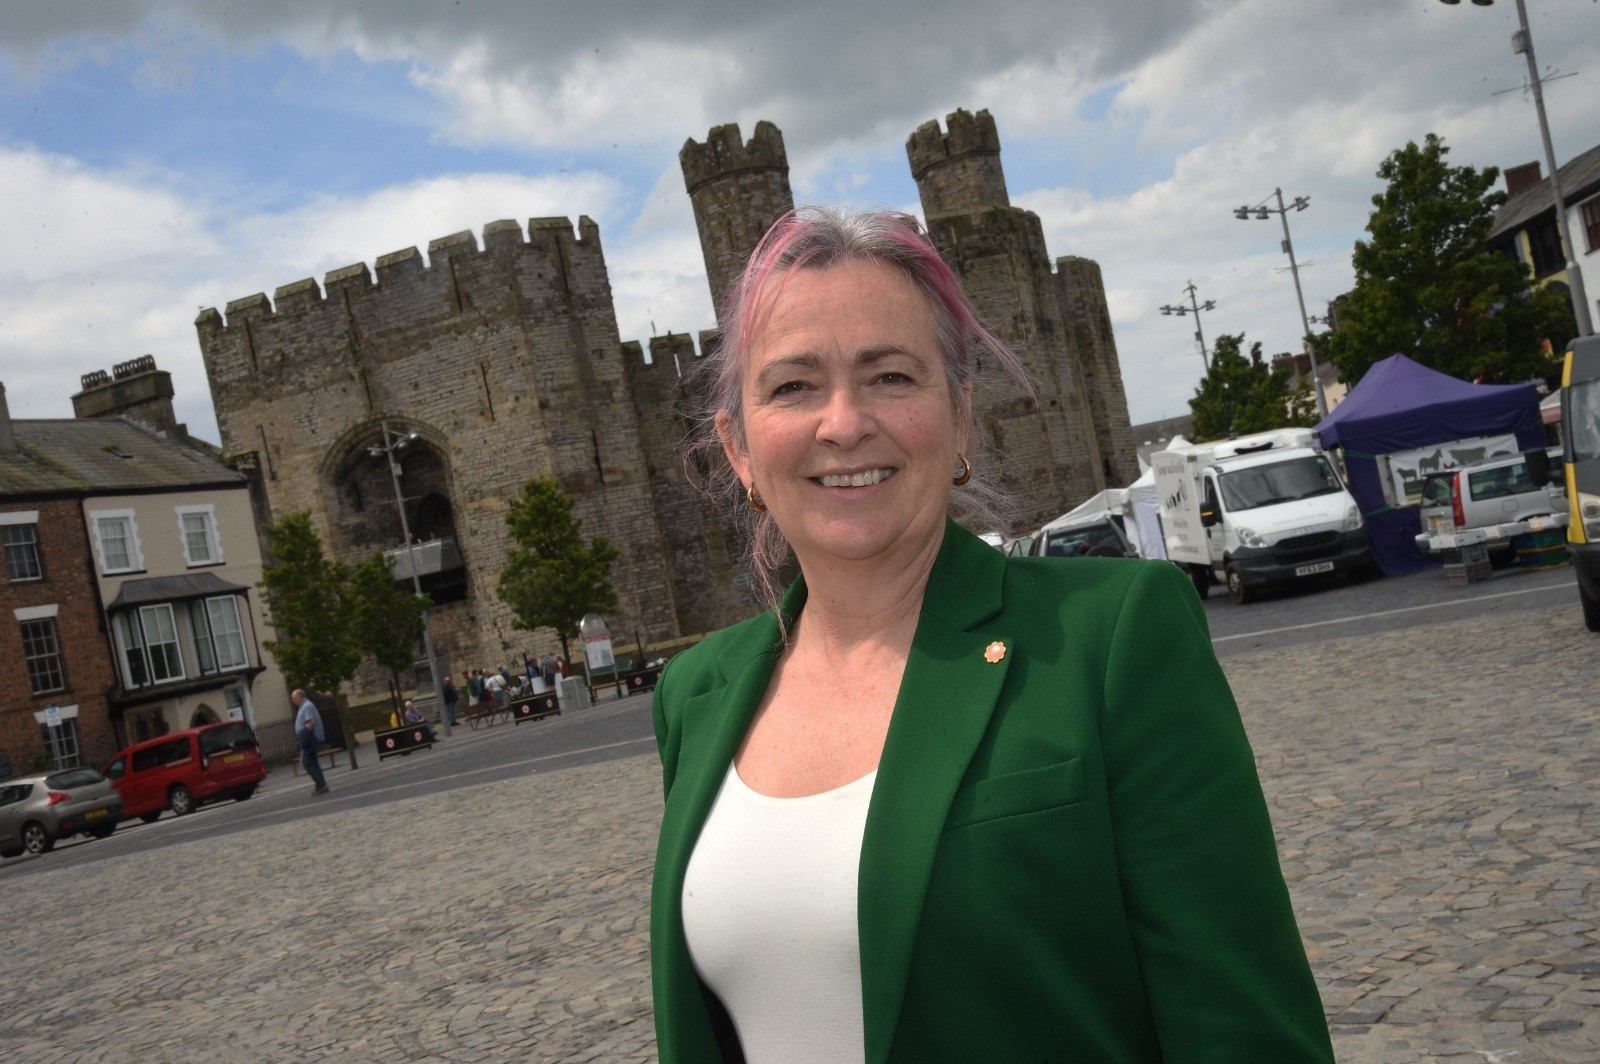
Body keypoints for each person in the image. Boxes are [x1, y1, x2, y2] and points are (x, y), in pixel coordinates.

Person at [648, 207, 1334, 1063]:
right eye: (792, 386)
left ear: (961, 413)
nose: (844, 422)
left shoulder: (1111, 637)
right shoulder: (696, 693)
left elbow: (1245, 1031)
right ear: (739, 448)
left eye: (891, 376)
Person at [290, 689, 331, 797]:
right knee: (313, 762)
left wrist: (303, 736)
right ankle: (322, 785)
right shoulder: (304, 706)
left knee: (305, 763)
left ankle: (320, 784)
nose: (292, 700)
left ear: (300, 697)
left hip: (309, 739)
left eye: (294, 698)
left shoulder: (307, 706)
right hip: (309, 738)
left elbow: (310, 722)